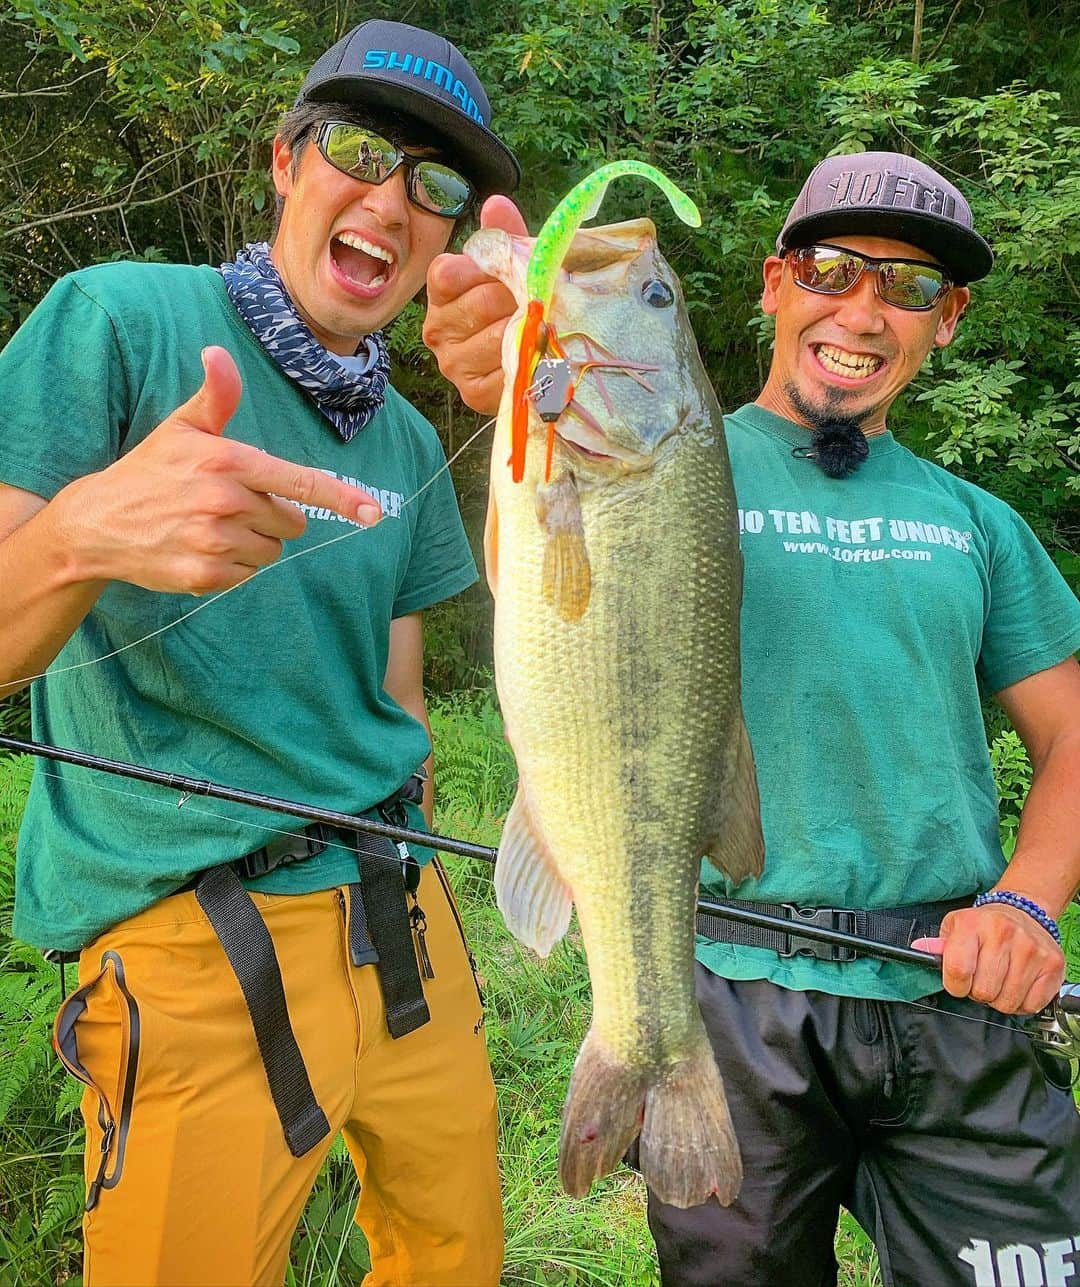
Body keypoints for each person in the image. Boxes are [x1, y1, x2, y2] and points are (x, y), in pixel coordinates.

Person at [423, 151, 1080, 1286]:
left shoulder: (979, 523)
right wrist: (507, 364)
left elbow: (1070, 734)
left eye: (909, 287)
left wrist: (1025, 900)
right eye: (831, 269)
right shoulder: (656, 450)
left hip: (954, 992)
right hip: (723, 991)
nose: (863, 311)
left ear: (949, 320)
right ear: (775, 285)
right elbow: (526, 466)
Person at [0, 19, 519, 1287]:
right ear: (284, 161)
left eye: (434, 185)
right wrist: (80, 534)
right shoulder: (118, 320)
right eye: (358, 149)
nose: (391, 201)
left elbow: (400, 699)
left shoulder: (406, 436)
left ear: (451, 235)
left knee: (458, 1262)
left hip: (405, 919)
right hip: (193, 941)